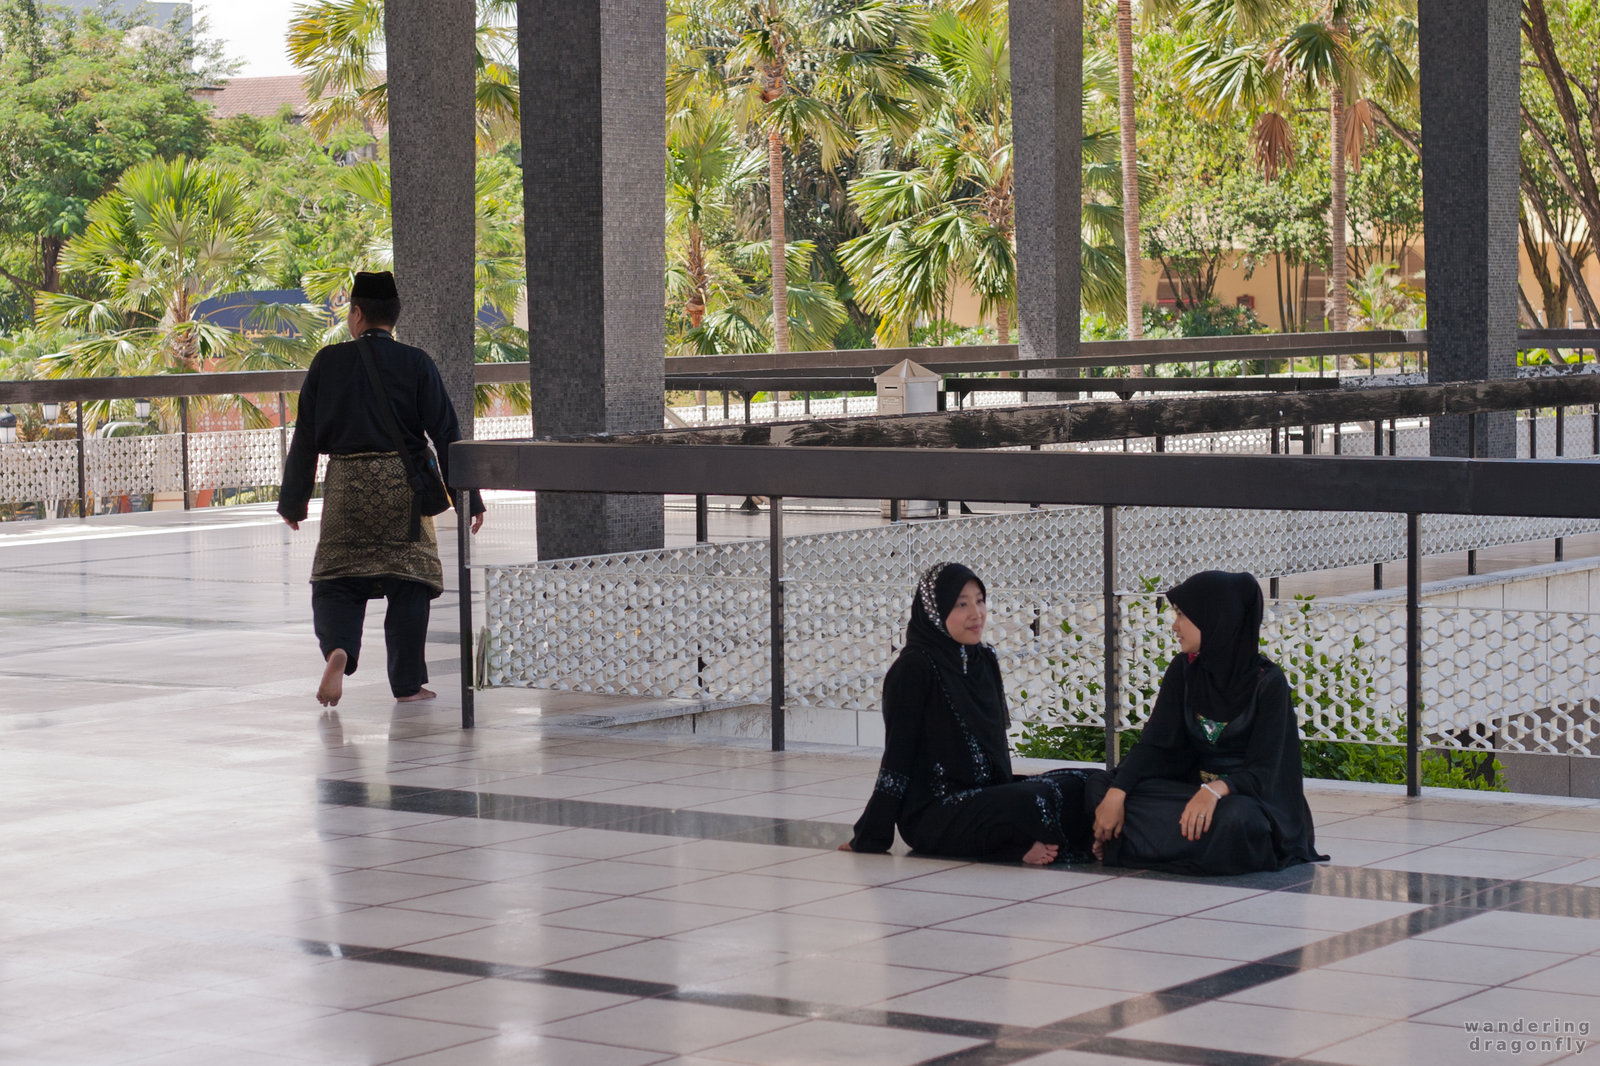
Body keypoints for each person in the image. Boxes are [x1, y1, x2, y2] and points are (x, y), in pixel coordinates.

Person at [278, 270, 485, 707]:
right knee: (410, 582)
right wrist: (470, 495)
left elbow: (306, 437)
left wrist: (293, 502)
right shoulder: (416, 363)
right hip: (401, 488)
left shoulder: (326, 363)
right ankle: (408, 685)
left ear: (356, 314)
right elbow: (446, 431)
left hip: (347, 487)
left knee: (337, 580)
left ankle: (339, 649)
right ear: (394, 316)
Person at [842, 562, 1095, 865]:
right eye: (962, 604)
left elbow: (997, 747)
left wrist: (1005, 793)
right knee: (1029, 801)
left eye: (980, 600)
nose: (976, 614)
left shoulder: (983, 658)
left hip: (986, 798)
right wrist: (871, 835)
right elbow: (898, 756)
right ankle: (1016, 846)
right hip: (935, 814)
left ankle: (1059, 837)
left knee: (1081, 781)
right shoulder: (915, 668)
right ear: (935, 611)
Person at [1087, 570, 1328, 876]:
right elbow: (1156, 745)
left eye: (1183, 616)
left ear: (1215, 618)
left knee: (1238, 820)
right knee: (1100, 787)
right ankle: (1175, 849)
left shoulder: (1268, 683)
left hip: (1248, 800)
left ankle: (1133, 847)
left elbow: (1268, 770)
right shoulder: (1184, 671)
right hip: (1191, 792)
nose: (1175, 626)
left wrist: (1217, 789)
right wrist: (1118, 791)